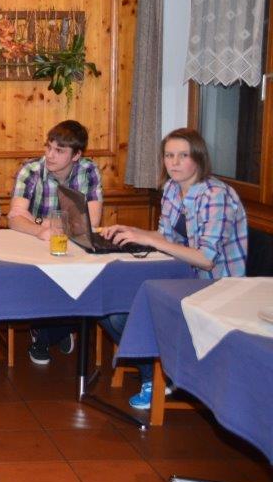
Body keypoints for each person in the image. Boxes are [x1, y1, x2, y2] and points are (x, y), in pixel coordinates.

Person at [101, 128, 247, 409]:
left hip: (217, 287)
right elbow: (165, 237)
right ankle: (162, 372)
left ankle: (161, 377)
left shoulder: (216, 195)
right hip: (181, 276)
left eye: (183, 156)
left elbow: (206, 259)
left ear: (199, 159)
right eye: (169, 156)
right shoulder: (171, 188)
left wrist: (149, 239)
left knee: (123, 315)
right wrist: (130, 230)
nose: (174, 162)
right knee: (110, 306)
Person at [8, 119, 101, 365]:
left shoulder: (88, 170)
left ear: (76, 155)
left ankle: (48, 333)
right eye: (48, 147)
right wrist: (40, 230)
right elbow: (14, 218)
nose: (50, 155)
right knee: (37, 280)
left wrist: (44, 221)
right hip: (36, 244)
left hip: (74, 246)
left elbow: (91, 221)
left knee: (86, 281)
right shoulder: (31, 170)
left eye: (59, 150)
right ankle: (58, 327)